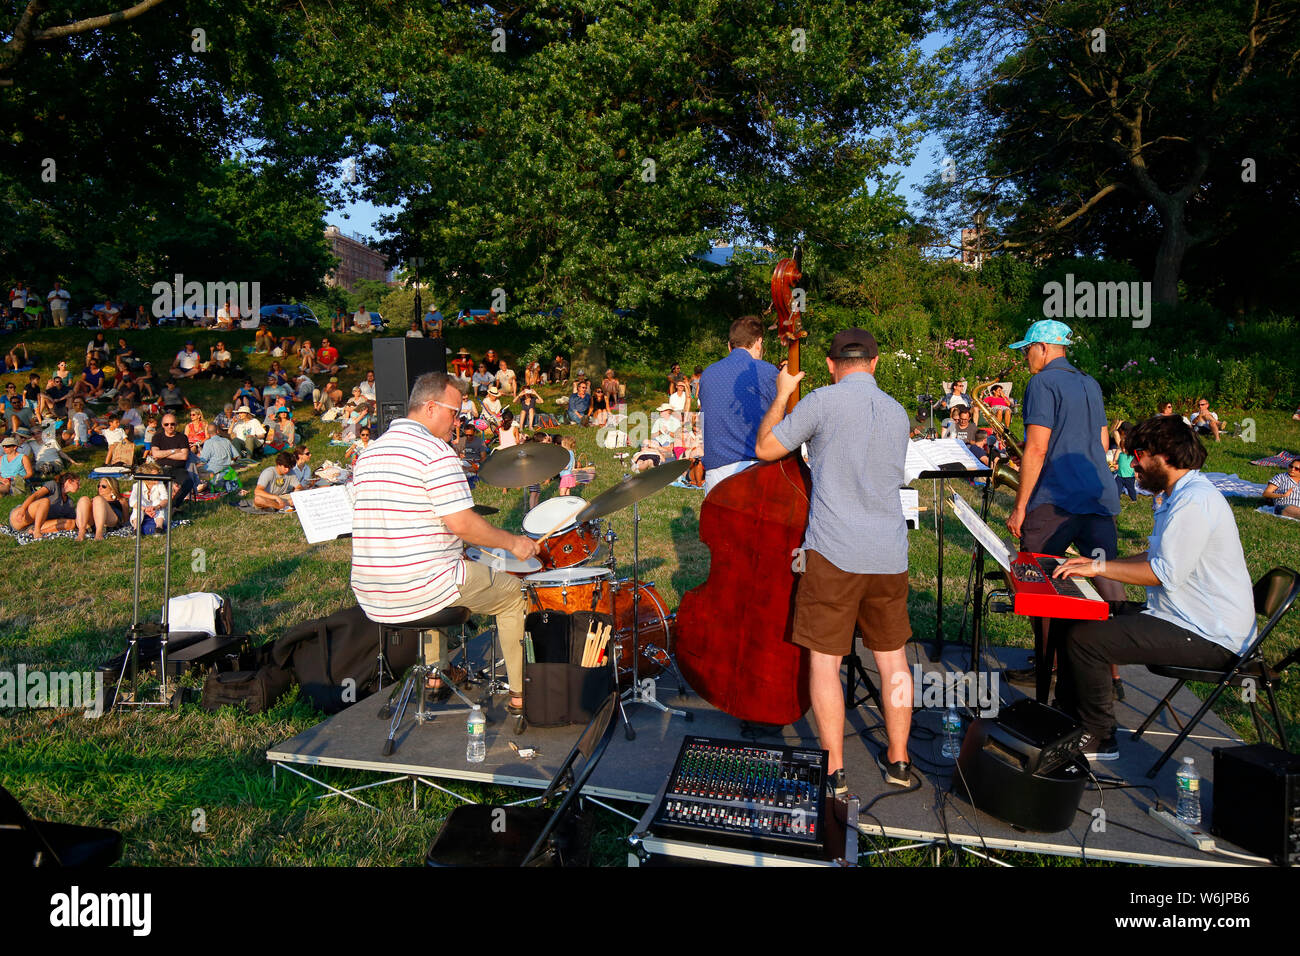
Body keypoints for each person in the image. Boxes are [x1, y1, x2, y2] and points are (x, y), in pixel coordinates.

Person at [753, 328, 913, 793]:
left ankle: (834, 770)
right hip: (889, 553)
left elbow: (766, 449)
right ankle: (899, 760)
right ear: (876, 363)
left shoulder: (821, 401)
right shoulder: (898, 412)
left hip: (835, 552)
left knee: (826, 663)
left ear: (829, 364)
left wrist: (783, 395)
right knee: (894, 660)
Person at [1049, 416, 1255, 759]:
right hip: (1180, 616)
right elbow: (1157, 554)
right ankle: (1070, 716)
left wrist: (1098, 566)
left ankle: (1099, 736)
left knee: (1088, 641)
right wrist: (1092, 566)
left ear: (1165, 454)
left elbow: (1163, 572)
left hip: (1210, 634)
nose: (1133, 463)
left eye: (1138, 454)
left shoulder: (1195, 502)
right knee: (1078, 614)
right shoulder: (1179, 495)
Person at [350, 371, 541, 717]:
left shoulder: (369, 454)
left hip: (372, 592)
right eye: (454, 413)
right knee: (514, 592)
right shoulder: (435, 452)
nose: (458, 422)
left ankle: (436, 675)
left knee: (441, 570)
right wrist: (514, 543)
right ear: (429, 407)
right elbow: (463, 524)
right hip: (419, 588)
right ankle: (521, 695)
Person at [1004, 320, 1123, 702]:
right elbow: (1103, 440)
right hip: (1098, 492)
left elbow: (1036, 448)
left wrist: (1020, 506)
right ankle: (1114, 671)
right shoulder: (1090, 382)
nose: (1026, 358)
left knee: (1035, 576)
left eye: (1027, 350)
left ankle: (1048, 665)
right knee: (1105, 573)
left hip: (1056, 496)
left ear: (1042, 348)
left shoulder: (1042, 383)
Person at [698, 315, 779, 494]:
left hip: (714, 473)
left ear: (729, 346)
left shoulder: (708, 374)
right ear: (759, 342)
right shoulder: (766, 371)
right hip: (753, 470)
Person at [10, 471, 82, 538]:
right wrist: (22, 509)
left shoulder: (69, 503)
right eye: (77, 483)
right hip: (23, 516)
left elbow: (75, 520)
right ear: (69, 481)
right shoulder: (53, 485)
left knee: (71, 523)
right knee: (45, 501)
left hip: (37, 525)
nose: (80, 486)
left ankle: (38, 532)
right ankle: (37, 531)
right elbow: (35, 495)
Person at [149, 412, 195, 510]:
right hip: (160, 468)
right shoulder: (157, 437)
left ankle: (173, 505)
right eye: (166, 424)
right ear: (162, 425)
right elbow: (155, 454)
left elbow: (184, 456)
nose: (170, 426)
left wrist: (163, 455)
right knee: (153, 482)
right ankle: (158, 505)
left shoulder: (182, 437)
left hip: (178, 469)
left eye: (172, 424)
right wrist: (173, 451)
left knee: (188, 482)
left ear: (176, 424)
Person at [75, 475, 126, 541]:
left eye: (103, 486)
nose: (100, 488)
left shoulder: (121, 500)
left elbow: (125, 520)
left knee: (98, 499)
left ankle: (99, 533)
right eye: (99, 486)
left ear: (112, 488)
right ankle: (81, 532)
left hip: (111, 521)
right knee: (84, 499)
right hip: (93, 522)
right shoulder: (94, 499)